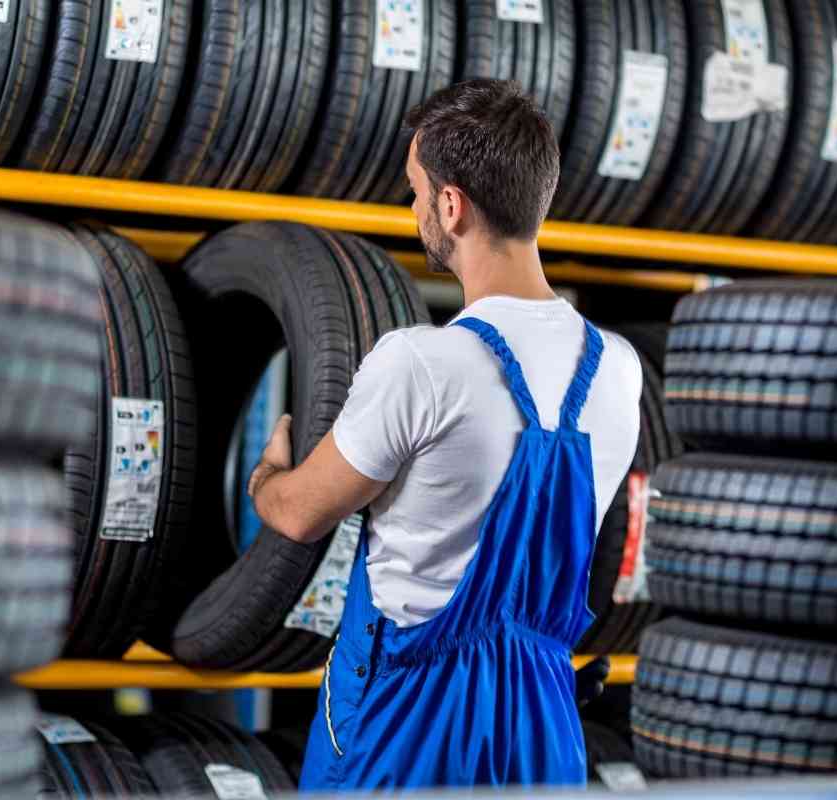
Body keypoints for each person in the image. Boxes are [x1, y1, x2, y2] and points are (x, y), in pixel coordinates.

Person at [245, 79, 643, 791]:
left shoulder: (422, 364)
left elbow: (301, 514)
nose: (413, 208)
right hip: (542, 724)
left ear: (451, 206)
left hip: (410, 722)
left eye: (415, 192)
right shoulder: (617, 369)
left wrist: (268, 473)